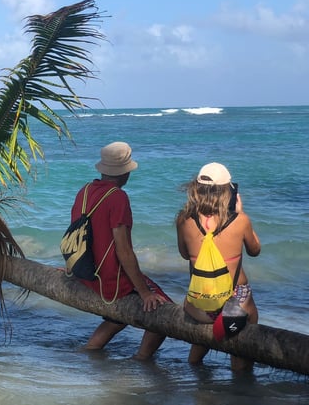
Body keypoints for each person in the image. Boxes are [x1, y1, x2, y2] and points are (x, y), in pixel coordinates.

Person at [71, 141, 170, 360]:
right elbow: (123, 250)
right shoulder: (118, 197)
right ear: (125, 172)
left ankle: (90, 350)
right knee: (164, 311)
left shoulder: (84, 191)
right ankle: (141, 360)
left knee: (118, 318)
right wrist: (144, 292)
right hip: (109, 281)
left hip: (85, 273)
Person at [176, 162, 261, 370]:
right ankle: (241, 370)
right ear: (228, 192)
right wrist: (241, 213)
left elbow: (185, 254)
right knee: (249, 314)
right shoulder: (240, 220)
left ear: (196, 188)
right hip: (234, 304)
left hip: (200, 304)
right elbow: (255, 250)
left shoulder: (183, 219)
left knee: (198, 350)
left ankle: (195, 369)